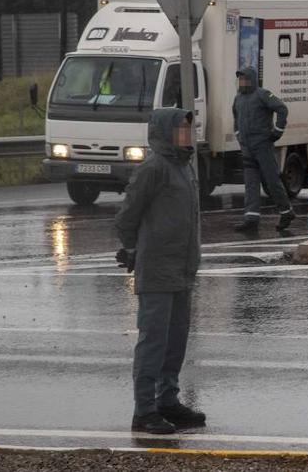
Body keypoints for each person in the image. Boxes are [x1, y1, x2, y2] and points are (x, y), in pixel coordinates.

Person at [114, 108, 206, 434]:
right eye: (180, 129)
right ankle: (144, 410)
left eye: (188, 129)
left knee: (176, 341)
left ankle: (168, 401)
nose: (185, 134)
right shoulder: (153, 168)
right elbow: (127, 216)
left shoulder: (185, 167)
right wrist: (131, 249)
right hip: (156, 268)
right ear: (165, 132)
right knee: (153, 342)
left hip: (182, 269)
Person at [232, 67, 295, 232]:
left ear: (252, 79)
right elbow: (236, 118)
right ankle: (251, 218)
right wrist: (238, 134)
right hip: (247, 148)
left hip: (263, 146)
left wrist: (278, 131)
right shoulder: (238, 98)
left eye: (245, 78)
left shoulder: (262, 95)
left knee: (271, 181)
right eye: (240, 79)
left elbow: (282, 108)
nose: (242, 82)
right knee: (251, 184)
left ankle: (286, 212)